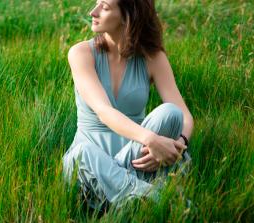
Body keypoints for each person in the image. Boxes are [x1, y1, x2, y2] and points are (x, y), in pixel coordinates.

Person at [61, 0, 194, 213]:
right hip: (89, 165)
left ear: (127, 15)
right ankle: (161, 200)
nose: (92, 12)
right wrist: (151, 139)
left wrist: (176, 146)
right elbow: (104, 111)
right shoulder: (81, 54)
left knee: (171, 113)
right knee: (81, 152)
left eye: (103, 7)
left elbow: (185, 116)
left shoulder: (153, 58)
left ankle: (128, 199)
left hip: (134, 159)